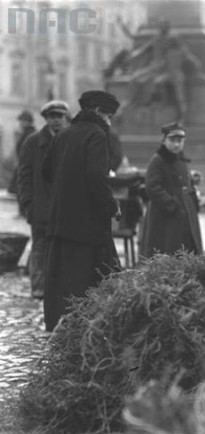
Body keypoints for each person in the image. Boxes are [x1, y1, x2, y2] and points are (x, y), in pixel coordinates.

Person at [42, 90, 122, 332]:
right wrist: (111, 205)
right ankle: (87, 330)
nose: (109, 121)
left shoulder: (64, 134)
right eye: (108, 115)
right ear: (98, 112)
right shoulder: (97, 135)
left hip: (61, 221)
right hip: (87, 225)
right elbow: (96, 178)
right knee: (89, 278)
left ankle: (59, 326)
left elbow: (47, 171)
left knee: (62, 278)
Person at [17, 100, 70, 300]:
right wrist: (27, 203)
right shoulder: (32, 142)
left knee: (62, 247)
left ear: (65, 118)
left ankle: (59, 287)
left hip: (64, 206)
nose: (56, 121)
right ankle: (38, 287)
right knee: (39, 247)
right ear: (45, 119)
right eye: (51, 117)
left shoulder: (69, 140)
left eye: (59, 116)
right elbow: (24, 175)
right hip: (40, 205)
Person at [140, 123, 203, 258]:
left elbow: (180, 179)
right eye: (172, 140)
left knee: (185, 250)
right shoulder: (158, 161)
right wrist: (172, 205)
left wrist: (191, 181)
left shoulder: (180, 159)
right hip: (165, 216)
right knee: (168, 250)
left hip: (184, 213)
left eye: (179, 141)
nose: (176, 145)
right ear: (164, 141)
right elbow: (152, 187)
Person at [8, 110, 37, 203]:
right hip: (22, 164)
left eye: (22, 121)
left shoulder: (30, 133)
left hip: (26, 164)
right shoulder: (25, 133)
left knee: (23, 189)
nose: (20, 123)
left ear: (27, 122)